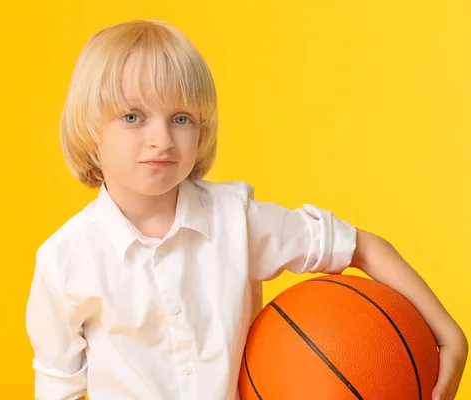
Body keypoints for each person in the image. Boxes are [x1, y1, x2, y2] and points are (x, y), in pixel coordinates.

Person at [25, 19, 467, 400]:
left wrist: (450, 335)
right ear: (88, 128)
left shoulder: (236, 221)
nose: (161, 139)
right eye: (133, 116)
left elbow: (363, 248)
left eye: (181, 118)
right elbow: (58, 382)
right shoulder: (65, 260)